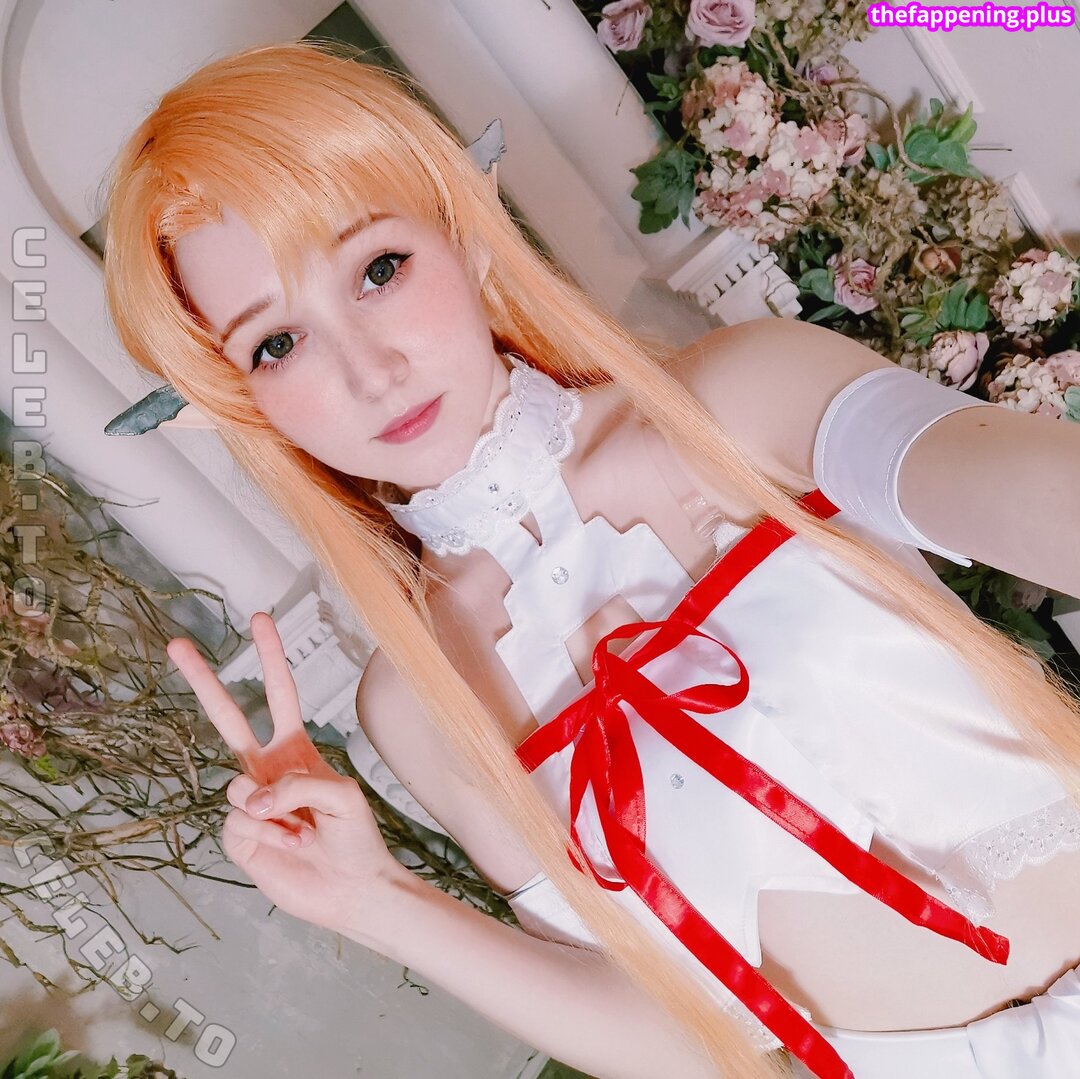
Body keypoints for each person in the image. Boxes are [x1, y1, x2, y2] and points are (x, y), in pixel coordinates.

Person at [99, 39, 1080, 1079]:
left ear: (465, 231)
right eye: (277, 343)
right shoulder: (420, 699)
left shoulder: (739, 401)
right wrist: (375, 900)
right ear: (243, 405)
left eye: (379, 269)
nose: (369, 369)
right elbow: (683, 1039)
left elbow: (1035, 497)